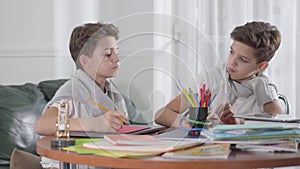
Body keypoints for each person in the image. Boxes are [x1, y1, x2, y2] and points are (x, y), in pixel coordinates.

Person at [35, 22, 147, 169]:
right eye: (108, 54)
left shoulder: (113, 92)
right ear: (85, 61)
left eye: (117, 52)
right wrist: (95, 124)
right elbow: (42, 125)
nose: (117, 59)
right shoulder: (72, 91)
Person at [154, 21, 283, 127]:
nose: (232, 62)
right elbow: (161, 114)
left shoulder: (264, 86)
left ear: (262, 66)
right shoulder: (211, 79)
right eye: (231, 52)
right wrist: (186, 124)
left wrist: (238, 122)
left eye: (243, 59)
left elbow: (279, 122)